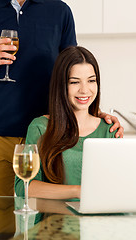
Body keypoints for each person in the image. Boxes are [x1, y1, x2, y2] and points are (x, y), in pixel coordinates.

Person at [0, 0, 123, 197]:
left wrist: (92, 114)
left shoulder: (60, 11)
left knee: (45, 219)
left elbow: (72, 69)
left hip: (49, 135)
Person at [15, 46, 117, 199]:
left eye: (91, 81)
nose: (85, 90)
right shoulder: (40, 127)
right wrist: (78, 191)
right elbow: (24, 186)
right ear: (61, 85)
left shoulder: (109, 129)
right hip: (54, 221)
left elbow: (116, 185)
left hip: (97, 219)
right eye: (75, 82)